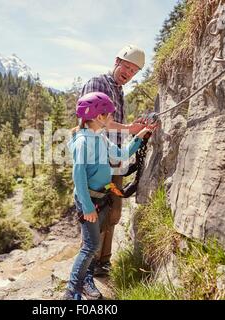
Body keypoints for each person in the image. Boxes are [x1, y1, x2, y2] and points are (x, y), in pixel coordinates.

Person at [63, 92, 152, 300]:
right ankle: (71, 291)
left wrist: (140, 137)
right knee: (90, 246)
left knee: (93, 242)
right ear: (97, 117)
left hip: (100, 199)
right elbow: (79, 178)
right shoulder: (83, 142)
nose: (112, 118)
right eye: (109, 114)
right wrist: (86, 207)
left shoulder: (100, 137)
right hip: (89, 201)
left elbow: (120, 155)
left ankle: (84, 281)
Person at [79, 44, 146, 276]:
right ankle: (89, 263)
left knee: (114, 211)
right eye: (127, 67)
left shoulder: (117, 90)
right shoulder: (98, 84)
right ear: (117, 61)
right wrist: (130, 128)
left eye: (134, 71)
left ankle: (102, 261)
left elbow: (113, 128)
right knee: (97, 211)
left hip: (113, 158)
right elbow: (96, 121)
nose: (128, 73)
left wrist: (134, 133)